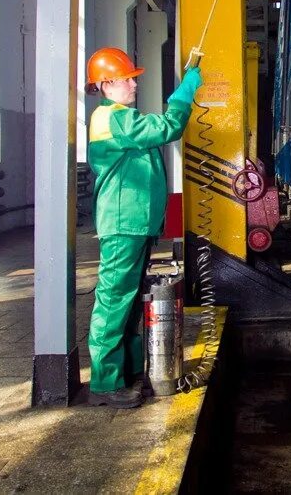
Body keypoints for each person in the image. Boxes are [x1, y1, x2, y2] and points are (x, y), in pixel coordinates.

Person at [84, 47, 203, 408]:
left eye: (134, 80)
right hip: (122, 223)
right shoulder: (113, 118)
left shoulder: (121, 118)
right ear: (106, 84)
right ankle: (105, 384)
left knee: (131, 298)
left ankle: (130, 369)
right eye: (128, 80)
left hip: (133, 223)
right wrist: (185, 91)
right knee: (114, 298)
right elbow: (168, 127)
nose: (134, 86)